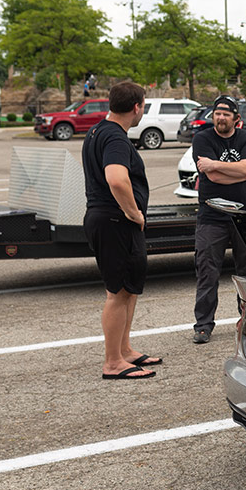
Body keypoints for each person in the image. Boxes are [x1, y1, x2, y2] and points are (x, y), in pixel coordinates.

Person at [81, 82, 161, 379]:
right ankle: (113, 362)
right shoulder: (115, 138)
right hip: (116, 221)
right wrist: (134, 213)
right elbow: (116, 179)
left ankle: (125, 350)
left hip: (107, 219)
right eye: (144, 104)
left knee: (128, 288)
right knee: (117, 292)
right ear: (137, 106)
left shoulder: (98, 130)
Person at [191, 95, 246, 344]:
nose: (220, 117)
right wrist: (243, 173)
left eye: (225, 114)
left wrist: (216, 165)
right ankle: (203, 325)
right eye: (217, 113)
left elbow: (244, 167)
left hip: (245, 217)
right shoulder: (202, 139)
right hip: (212, 217)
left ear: (236, 119)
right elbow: (214, 178)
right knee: (207, 272)